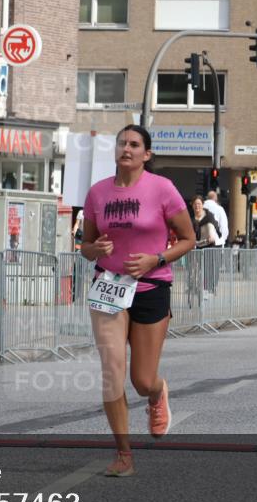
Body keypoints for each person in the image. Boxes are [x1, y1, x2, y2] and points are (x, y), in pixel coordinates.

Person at [80, 125, 196, 477]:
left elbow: (188, 238)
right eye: (121, 143)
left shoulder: (162, 189)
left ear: (146, 154)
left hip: (150, 287)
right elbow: (85, 247)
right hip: (109, 289)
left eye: (134, 145)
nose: (126, 149)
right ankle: (123, 455)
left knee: (141, 380)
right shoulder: (98, 193)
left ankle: (157, 393)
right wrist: (95, 249)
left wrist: (155, 259)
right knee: (112, 372)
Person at [191, 195, 220, 300]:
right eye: (195, 204)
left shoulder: (208, 216)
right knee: (195, 268)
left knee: (207, 269)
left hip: (209, 245)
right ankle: (194, 286)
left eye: (199, 204)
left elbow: (212, 229)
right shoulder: (192, 219)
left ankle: (207, 290)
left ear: (202, 205)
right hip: (198, 246)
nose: (197, 206)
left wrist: (211, 237)